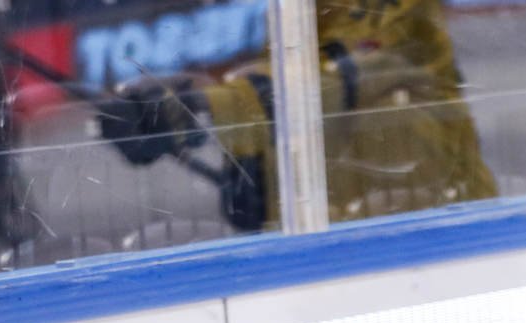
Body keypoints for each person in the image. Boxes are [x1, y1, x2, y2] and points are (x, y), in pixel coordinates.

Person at [95, 0, 498, 231]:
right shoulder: (294, 15)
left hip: (445, 238)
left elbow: (346, 76)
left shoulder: (385, 11)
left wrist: (199, 106)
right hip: (349, 248)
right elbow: (294, 107)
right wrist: (256, 175)